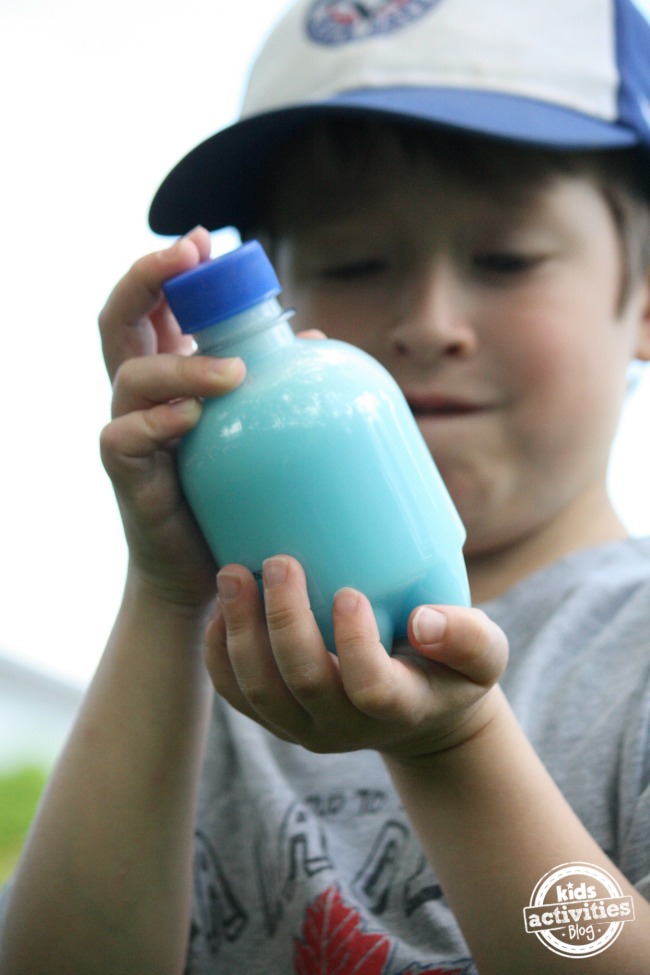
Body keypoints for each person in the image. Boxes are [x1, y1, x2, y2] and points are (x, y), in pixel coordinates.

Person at [1, 0, 650, 972]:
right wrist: (166, 589)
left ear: (640, 303)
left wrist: (450, 747)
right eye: (352, 262)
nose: (427, 321)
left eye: (504, 259)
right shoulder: (226, 666)